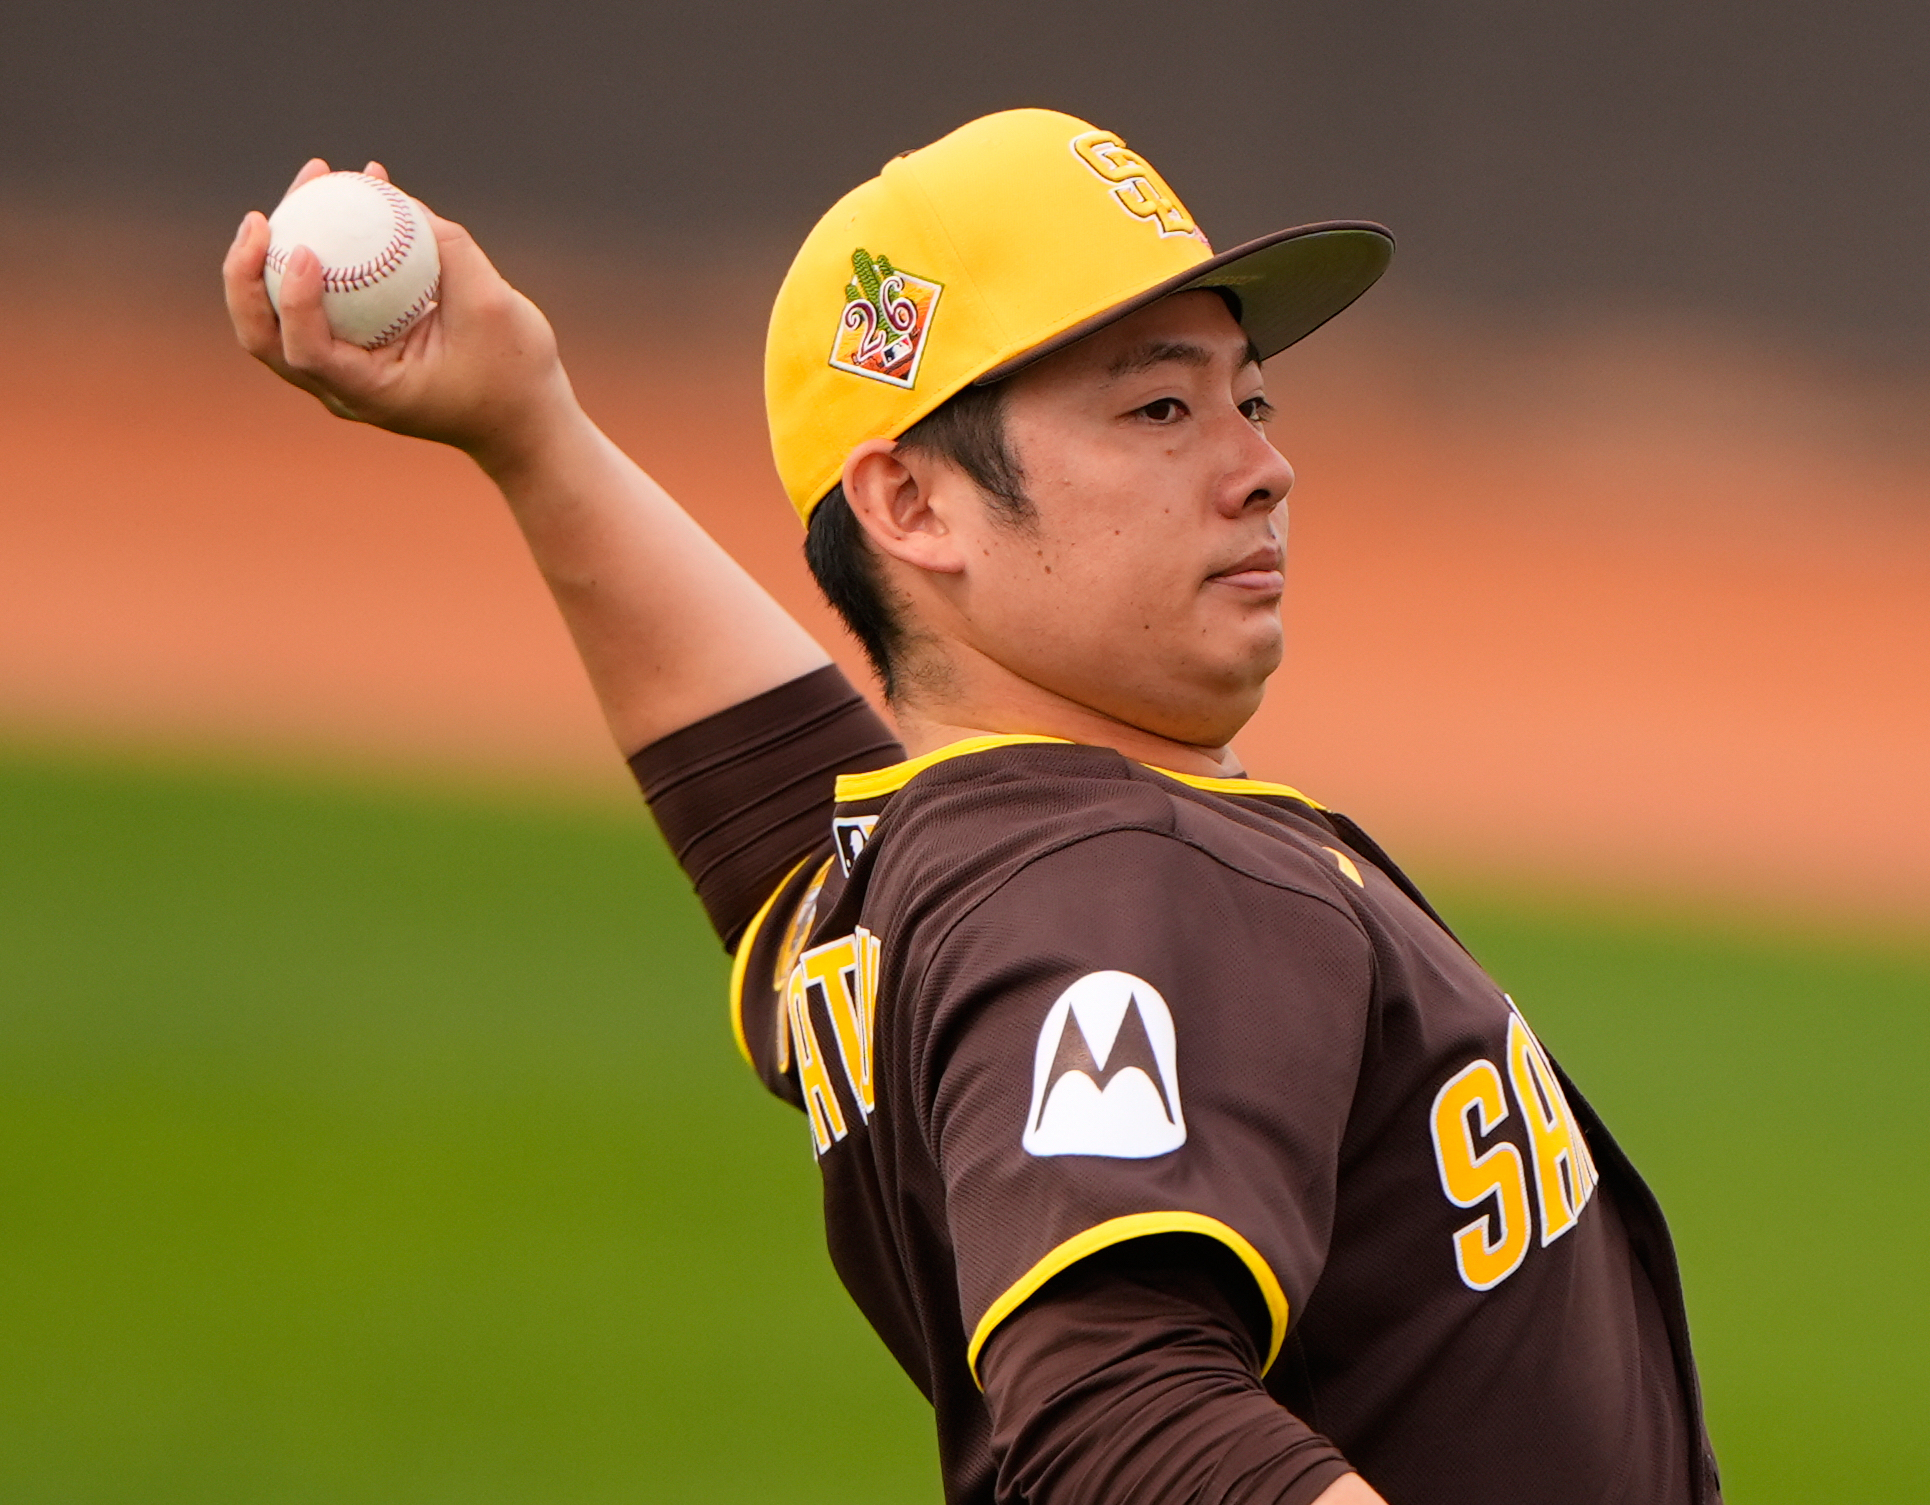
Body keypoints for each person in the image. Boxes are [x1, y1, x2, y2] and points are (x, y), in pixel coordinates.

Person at [223, 107, 1720, 1505]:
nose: (1262, 468)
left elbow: (768, 834)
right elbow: (1113, 1412)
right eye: (1155, 407)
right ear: (912, 506)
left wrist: (533, 431)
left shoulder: (934, 869)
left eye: (1246, 397)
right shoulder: (1108, 872)